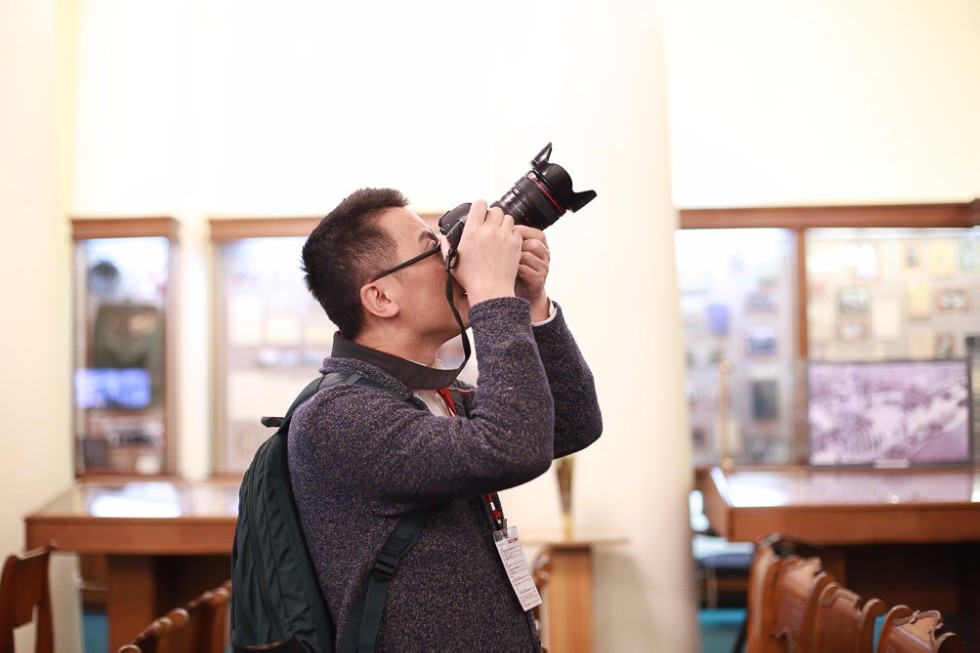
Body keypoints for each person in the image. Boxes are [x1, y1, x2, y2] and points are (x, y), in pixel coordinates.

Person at [289, 187, 602, 650]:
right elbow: (513, 446)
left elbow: (570, 422)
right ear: (380, 298)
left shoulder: (428, 396)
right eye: (433, 248)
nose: (454, 255)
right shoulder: (338, 417)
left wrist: (529, 302)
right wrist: (493, 296)